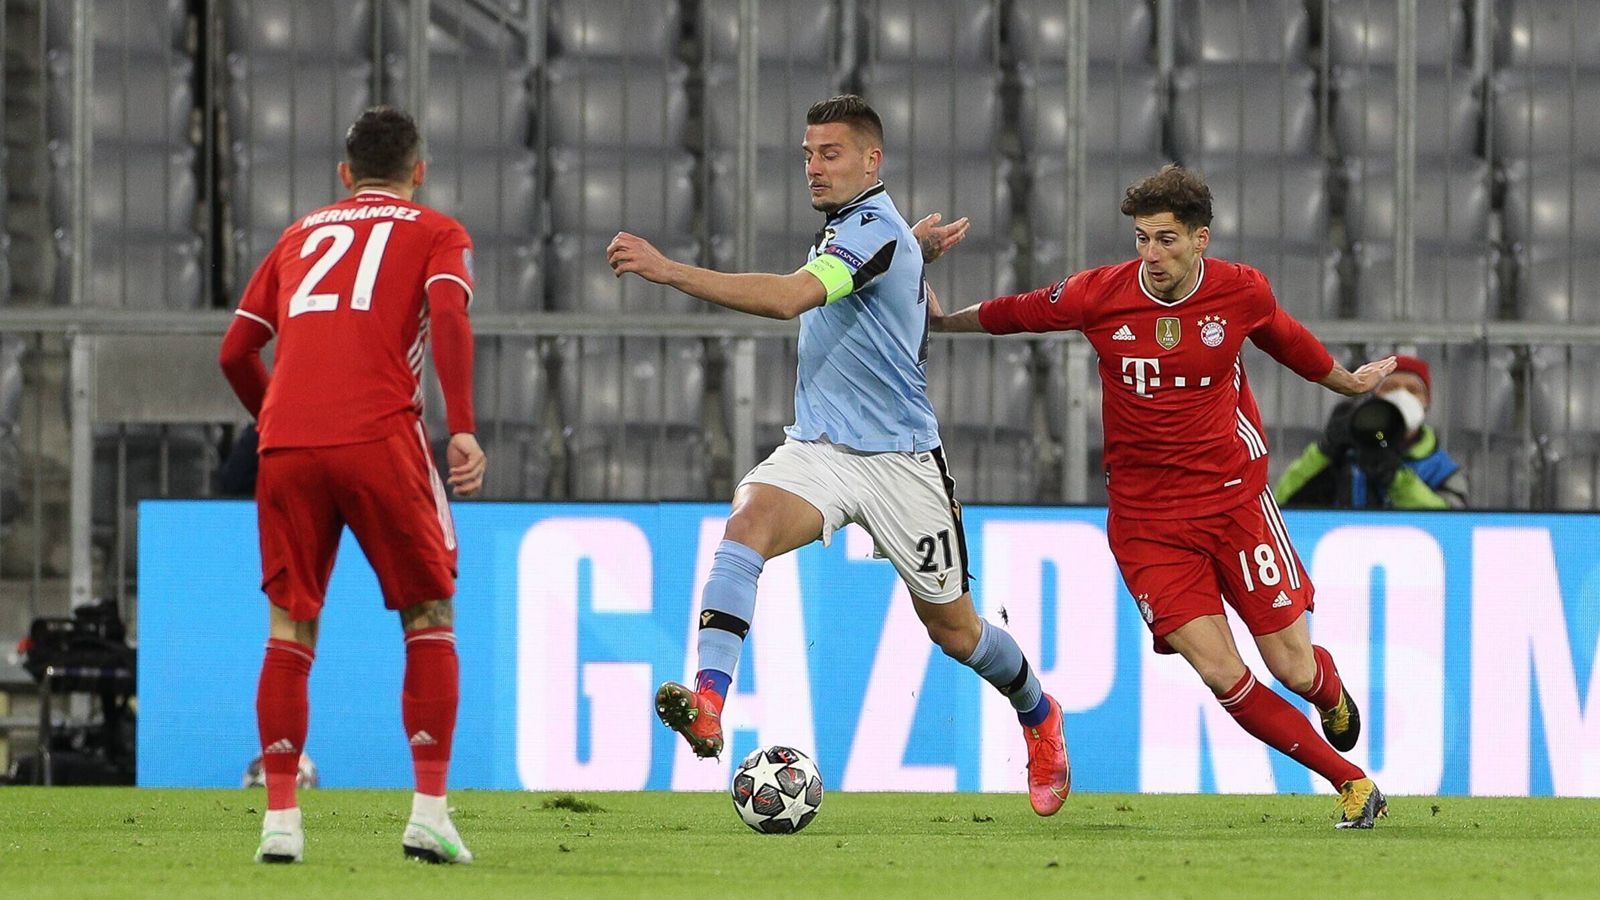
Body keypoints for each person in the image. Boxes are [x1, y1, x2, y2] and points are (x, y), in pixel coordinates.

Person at [606, 94, 1072, 816]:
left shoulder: (872, 231)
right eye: (806, 154)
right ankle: (707, 703)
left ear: (870, 159)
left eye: (829, 154)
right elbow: (871, 272)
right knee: (748, 523)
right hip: (820, 448)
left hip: (902, 463)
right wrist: (914, 249)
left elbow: (792, 299)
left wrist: (670, 272)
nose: (813, 168)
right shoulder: (866, 231)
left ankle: (1040, 716)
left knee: (956, 631)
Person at [931, 164, 1393, 828]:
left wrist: (1346, 383)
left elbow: (1286, 340)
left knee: (1292, 669)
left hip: (1236, 503)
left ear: (1201, 239)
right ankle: (1350, 783)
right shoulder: (1102, 293)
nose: (1150, 255)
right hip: (1148, 523)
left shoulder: (1240, 291)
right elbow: (1019, 312)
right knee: (1222, 675)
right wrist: (947, 325)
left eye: (1166, 240)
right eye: (1142, 239)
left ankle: (1330, 691)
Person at [218, 106, 486, 864]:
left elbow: (237, 351)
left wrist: (275, 417)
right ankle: (429, 813)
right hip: (379, 435)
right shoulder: (436, 231)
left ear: (345, 174)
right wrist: (461, 426)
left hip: (288, 445)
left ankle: (279, 822)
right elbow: (447, 313)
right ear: (419, 170)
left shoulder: (299, 235)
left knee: (290, 626)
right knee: (429, 612)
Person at [1277, 354, 1469, 509]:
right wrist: (1326, 450)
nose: (1401, 395)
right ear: (1374, 396)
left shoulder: (1442, 468)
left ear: (1427, 401)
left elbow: (1453, 523)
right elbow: (1282, 500)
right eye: (1390, 387)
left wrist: (1396, 480)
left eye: (1413, 390)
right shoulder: (1346, 453)